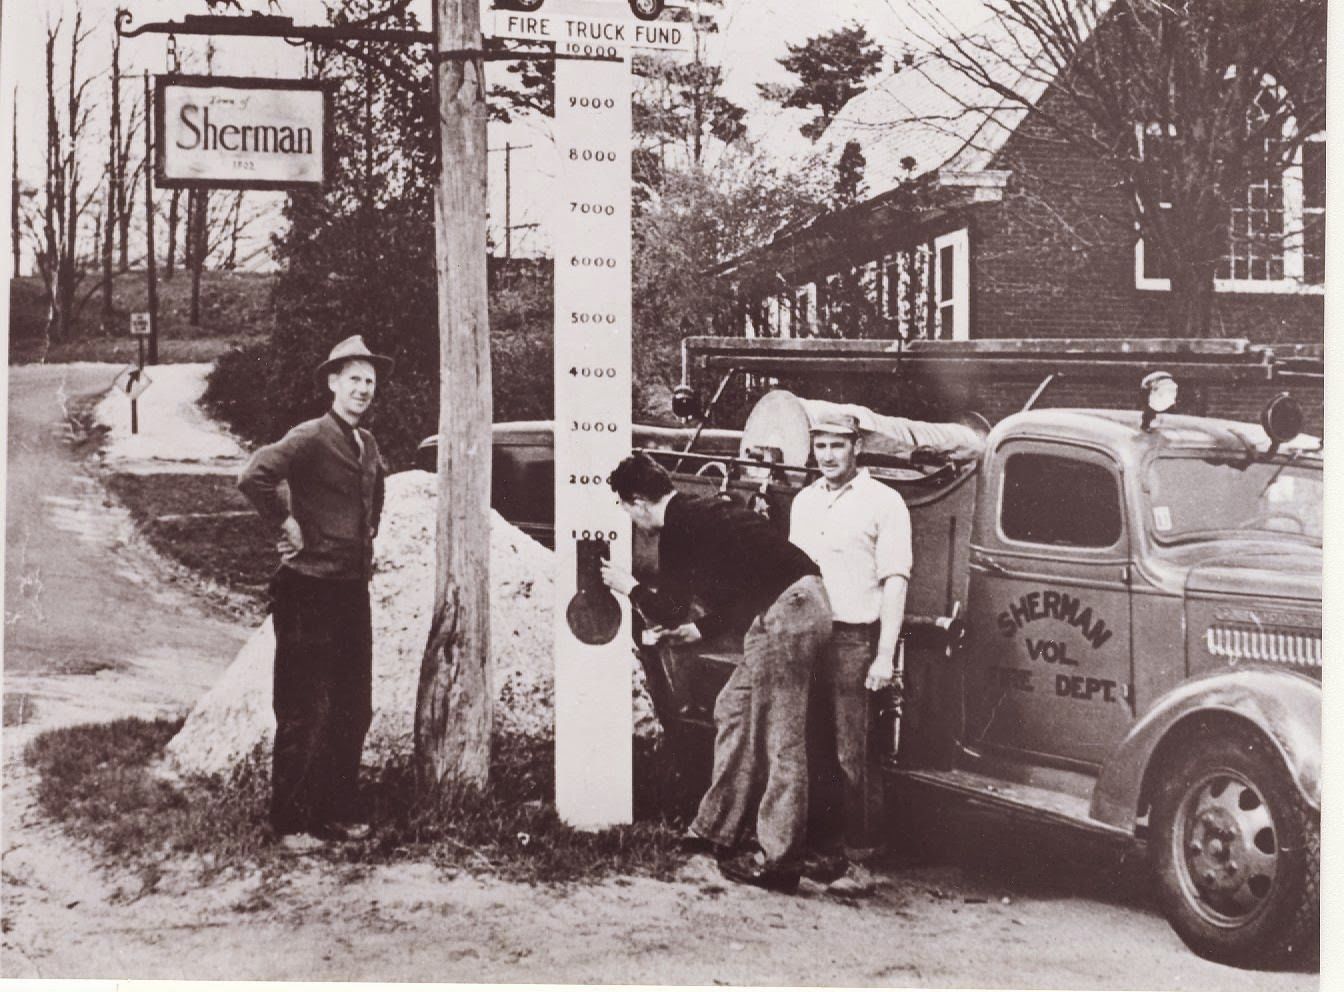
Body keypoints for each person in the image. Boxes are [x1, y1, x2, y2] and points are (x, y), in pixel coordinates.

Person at [600, 453, 832, 893]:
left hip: (790, 611)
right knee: (733, 709)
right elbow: (741, 583)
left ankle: (781, 863)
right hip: (788, 606)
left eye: (625, 509)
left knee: (782, 737)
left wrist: (626, 586)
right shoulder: (700, 510)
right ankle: (714, 831)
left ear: (638, 502)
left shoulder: (679, 527)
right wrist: (699, 629)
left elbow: (667, 605)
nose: (629, 519)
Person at [238, 335, 391, 853]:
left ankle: (336, 810)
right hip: (307, 590)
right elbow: (255, 475)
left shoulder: (366, 444)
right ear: (332, 382)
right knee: (304, 705)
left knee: (354, 703)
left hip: (351, 589)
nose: (363, 390)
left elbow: (376, 494)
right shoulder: (309, 436)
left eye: (369, 382)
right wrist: (286, 522)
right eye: (354, 380)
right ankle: (290, 820)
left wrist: (364, 543)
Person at [788, 411, 911, 894]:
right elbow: (795, 574)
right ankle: (824, 853)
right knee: (811, 746)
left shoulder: (885, 502)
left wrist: (884, 656)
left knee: (852, 750)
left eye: (838, 445)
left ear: (856, 447)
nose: (828, 455)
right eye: (820, 446)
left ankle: (861, 858)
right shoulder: (804, 502)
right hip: (807, 636)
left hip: (853, 640)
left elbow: (895, 580)